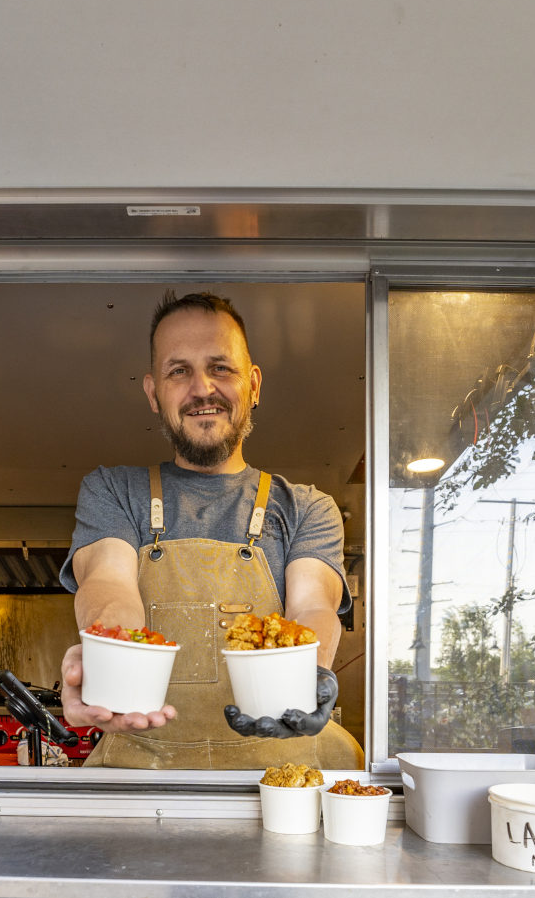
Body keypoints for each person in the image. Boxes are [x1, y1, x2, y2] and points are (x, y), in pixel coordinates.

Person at [57, 291, 363, 770]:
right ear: (154, 393)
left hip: (282, 776)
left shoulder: (307, 507)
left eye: (221, 367)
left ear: (254, 384)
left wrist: (311, 674)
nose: (202, 389)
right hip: (145, 777)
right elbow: (108, 584)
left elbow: (311, 606)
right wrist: (111, 657)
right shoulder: (112, 491)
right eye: (179, 371)